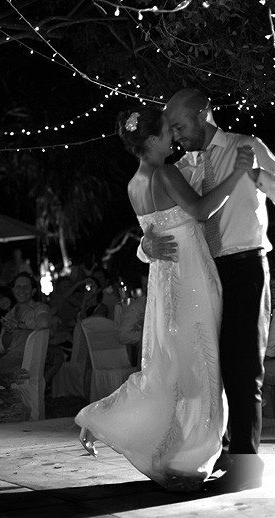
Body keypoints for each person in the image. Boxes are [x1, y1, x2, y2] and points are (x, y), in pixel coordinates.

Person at [75, 105, 257, 491]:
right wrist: (239, 173)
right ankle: (188, 457)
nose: (174, 136)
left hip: (164, 282)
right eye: (168, 131)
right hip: (191, 277)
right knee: (198, 363)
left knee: (171, 363)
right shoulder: (164, 171)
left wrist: (145, 244)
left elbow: (155, 227)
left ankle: (169, 449)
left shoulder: (134, 183)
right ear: (154, 140)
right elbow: (203, 210)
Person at [134, 88, 275, 492]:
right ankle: (217, 453)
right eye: (171, 129)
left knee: (244, 367)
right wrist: (144, 248)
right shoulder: (178, 167)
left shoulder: (248, 146)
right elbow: (160, 222)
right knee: (208, 368)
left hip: (245, 265)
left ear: (203, 114)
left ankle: (246, 466)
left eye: (180, 125)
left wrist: (257, 177)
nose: (175, 136)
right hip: (200, 276)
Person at [0, 273, 50, 382]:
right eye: (18, 287)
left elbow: (44, 323)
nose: (21, 290)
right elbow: (1, 348)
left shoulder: (39, 308)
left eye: (25, 287)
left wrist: (19, 325)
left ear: (33, 291)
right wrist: (8, 331)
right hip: (10, 359)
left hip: (28, 361)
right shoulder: (10, 314)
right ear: (13, 290)